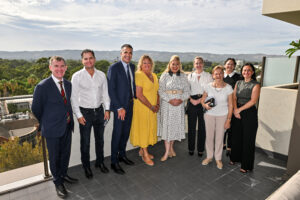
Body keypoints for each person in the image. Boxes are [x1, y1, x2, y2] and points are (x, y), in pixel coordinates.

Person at [32, 56, 77, 199]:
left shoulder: (68, 84)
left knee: (65, 154)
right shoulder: (42, 86)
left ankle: (63, 175)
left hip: (67, 126)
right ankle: (58, 182)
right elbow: (36, 109)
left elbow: (67, 105)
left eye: (62, 66)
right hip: (52, 129)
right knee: (55, 157)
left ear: (66, 68)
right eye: (56, 66)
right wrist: (46, 122)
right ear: (50, 68)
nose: (59, 69)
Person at [71, 49, 110, 179]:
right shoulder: (77, 76)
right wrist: (78, 115)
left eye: (91, 58)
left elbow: (105, 94)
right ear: (82, 60)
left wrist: (107, 110)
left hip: (99, 112)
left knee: (100, 140)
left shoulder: (101, 75)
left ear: (94, 59)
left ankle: (100, 162)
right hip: (85, 114)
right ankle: (86, 166)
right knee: (85, 142)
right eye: (86, 58)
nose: (88, 61)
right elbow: (74, 98)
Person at [107, 44, 136, 174]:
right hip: (120, 108)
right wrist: (119, 107)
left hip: (130, 105)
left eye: (130, 53)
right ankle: (114, 162)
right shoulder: (114, 68)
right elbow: (111, 90)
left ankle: (122, 155)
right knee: (117, 134)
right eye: (125, 52)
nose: (128, 55)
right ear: (121, 53)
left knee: (125, 132)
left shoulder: (132, 67)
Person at [157, 55, 190, 161]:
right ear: (169, 64)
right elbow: (161, 90)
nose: (175, 66)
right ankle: (166, 152)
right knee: (167, 127)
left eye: (177, 64)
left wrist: (181, 99)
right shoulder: (164, 75)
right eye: (173, 64)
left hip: (179, 105)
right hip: (167, 105)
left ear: (179, 65)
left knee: (174, 127)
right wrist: (169, 100)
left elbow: (188, 91)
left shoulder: (184, 76)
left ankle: (171, 148)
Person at [230, 63, 260, 173]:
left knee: (248, 139)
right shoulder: (238, 82)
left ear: (252, 72)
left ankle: (246, 165)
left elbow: (253, 101)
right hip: (237, 110)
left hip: (249, 113)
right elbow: (234, 97)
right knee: (236, 137)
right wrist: (235, 109)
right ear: (242, 72)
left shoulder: (256, 85)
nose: (246, 72)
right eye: (244, 70)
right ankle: (235, 158)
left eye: (248, 70)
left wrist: (239, 110)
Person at [201, 65, 233, 169]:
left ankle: (218, 158)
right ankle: (209, 156)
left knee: (219, 138)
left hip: (222, 116)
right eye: (216, 73)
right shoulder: (208, 86)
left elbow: (231, 105)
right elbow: (202, 99)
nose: (218, 75)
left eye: (220, 73)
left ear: (223, 74)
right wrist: (205, 105)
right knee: (209, 137)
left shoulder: (228, 88)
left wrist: (228, 119)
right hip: (209, 115)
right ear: (213, 75)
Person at [130, 55, 159, 166]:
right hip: (142, 108)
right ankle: (145, 155)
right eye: (144, 63)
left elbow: (157, 92)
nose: (147, 65)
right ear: (140, 65)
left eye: (149, 63)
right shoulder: (138, 75)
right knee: (143, 129)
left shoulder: (154, 76)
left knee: (148, 129)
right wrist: (151, 107)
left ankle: (142, 150)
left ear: (152, 64)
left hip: (152, 108)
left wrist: (157, 105)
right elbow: (139, 95)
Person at [187, 56, 213, 157]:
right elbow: (186, 90)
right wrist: (191, 99)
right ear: (194, 64)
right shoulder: (189, 76)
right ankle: (191, 148)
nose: (198, 65)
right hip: (192, 102)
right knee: (191, 127)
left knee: (203, 128)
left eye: (200, 63)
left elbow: (210, 91)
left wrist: (201, 100)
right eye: (196, 63)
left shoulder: (208, 76)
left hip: (203, 102)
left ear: (203, 64)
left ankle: (201, 149)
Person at [223, 58, 242, 156]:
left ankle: (229, 147)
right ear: (224, 65)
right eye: (228, 64)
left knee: (231, 127)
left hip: (232, 105)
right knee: (221, 125)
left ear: (234, 66)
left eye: (231, 64)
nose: (229, 66)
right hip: (221, 106)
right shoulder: (221, 76)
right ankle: (222, 143)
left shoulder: (238, 77)